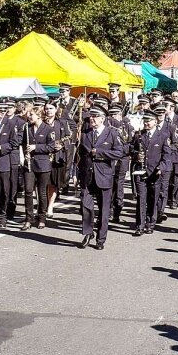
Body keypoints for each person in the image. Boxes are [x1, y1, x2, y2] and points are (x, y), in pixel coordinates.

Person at [77, 104, 123, 250]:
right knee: (85, 206)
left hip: (104, 175)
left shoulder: (112, 133)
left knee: (104, 210)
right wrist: (76, 175)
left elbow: (119, 153)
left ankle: (101, 239)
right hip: (88, 176)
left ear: (103, 119)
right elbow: (81, 156)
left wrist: (100, 153)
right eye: (91, 116)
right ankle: (88, 232)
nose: (92, 119)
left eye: (95, 116)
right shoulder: (86, 134)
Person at [131, 111, 170, 236]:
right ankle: (140, 226)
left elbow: (167, 155)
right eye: (145, 121)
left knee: (153, 199)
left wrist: (161, 167)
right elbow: (131, 149)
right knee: (141, 199)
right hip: (140, 171)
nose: (147, 123)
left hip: (155, 172)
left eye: (149, 121)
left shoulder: (163, 136)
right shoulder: (139, 135)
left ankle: (150, 224)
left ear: (155, 122)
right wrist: (136, 155)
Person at [20, 107, 56, 231]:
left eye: (32, 115)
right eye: (29, 115)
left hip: (43, 164)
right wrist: (24, 153)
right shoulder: (26, 128)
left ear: (39, 116)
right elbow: (22, 143)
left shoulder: (48, 129)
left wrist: (36, 147)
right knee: (29, 191)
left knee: (42, 192)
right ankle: (28, 219)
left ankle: (42, 218)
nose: (29, 117)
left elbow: (51, 147)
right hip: (29, 163)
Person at [110, 104, 135, 222]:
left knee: (119, 185)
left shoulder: (128, 127)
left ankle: (117, 210)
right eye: (111, 114)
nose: (113, 117)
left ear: (120, 115)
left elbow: (132, 144)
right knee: (109, 184)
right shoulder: (107, 128)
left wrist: (122, 150)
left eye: (115, 114)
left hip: (122, 159)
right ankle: (108, 209)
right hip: (109, 159)